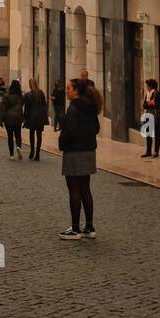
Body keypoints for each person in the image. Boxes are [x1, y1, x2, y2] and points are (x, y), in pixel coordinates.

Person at [58, 78, 100, 240]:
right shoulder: (90, 107)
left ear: (76, 91)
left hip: (74, 151)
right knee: (85, 189)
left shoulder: (74, 108)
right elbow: (96, 128)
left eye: (69, 88)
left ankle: (75, 229)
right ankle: (89, 226)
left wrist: (62, 141)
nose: (66, 90)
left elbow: (70, 131)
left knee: (74, 190)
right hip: (89, 150)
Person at [141, 78, 160, 158]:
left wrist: (154, 103)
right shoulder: (148, 94)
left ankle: (156, 151)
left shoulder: (157, 94)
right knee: (148, 134)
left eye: (147, 86)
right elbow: (144, 105)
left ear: (151, 86)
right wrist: (150, 103)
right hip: (148, 116)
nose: (146, 87)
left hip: (156, 117)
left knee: (157, 134)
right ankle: (148, 151)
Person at [23, 78, 49, 161]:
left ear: (30, 85)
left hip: (32, 117)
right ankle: (37, 153)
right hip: (40, 117)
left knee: (32, 135)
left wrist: (25, 118)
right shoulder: (41, 93)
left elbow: (26, 109)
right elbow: (45, 105)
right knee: (39, 135)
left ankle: (32, 152)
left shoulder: (28, 95)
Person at [0, 78, 24, 160]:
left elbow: (3, 109)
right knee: (18, 134)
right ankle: (18, 146)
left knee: (10, 136)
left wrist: (0, 120)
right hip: (18, 118)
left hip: (8, 119)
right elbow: (23, 106)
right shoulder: (21, 97)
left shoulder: (6, 96)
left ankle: (11, 155)